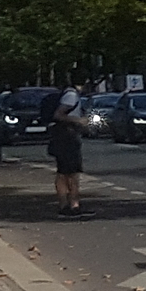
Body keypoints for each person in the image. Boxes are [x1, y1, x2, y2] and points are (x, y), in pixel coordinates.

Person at [43, 80, 91, 218]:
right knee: (72, 173)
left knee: (63, 172)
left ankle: (65, 205)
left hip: (62, 136)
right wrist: (79, 121)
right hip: (67, 137)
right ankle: (72, 206)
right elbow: (59, 115)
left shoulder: (67, 94)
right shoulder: (71, 96)